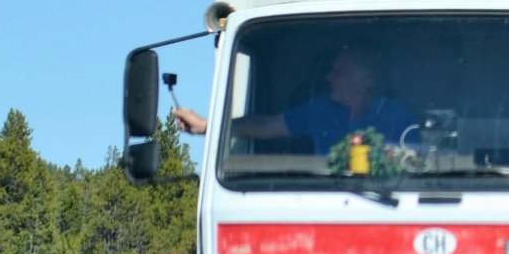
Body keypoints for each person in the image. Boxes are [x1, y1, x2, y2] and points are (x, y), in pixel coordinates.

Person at [172, 46, 417, 154]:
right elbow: (265, 126)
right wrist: (206, 126)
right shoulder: (321, 108)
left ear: (365, 80)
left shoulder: (400, 119)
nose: (329, 78)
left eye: (338, 72)